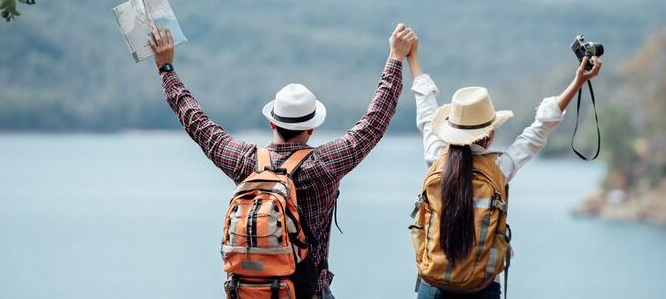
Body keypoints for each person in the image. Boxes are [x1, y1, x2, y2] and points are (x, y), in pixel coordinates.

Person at [147, 23, 417, 299]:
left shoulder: (245, 162)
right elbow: (373, 123)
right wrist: (395, 58)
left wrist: (166, 69)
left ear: (272, 121)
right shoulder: (322, 165)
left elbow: (197, 122)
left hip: (251, 292)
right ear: (311, 128)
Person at [406, 38, 602, 299]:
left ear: (451, 130)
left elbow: (425, 107)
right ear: (490, 135)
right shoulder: (499, 168)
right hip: (482, 289)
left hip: (433, 288)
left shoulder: (436, 156)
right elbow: (540, 128)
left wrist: (412, 57)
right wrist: (579, 81)